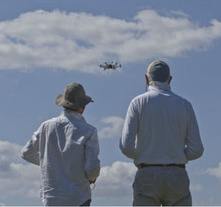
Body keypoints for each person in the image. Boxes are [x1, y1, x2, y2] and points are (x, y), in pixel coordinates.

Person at [120, 60, 204, 206]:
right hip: (177, 174)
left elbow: (126, 146)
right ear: (170, 79)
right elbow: (197, 150)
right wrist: (177, 154)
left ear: (147, 79)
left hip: (147, 173)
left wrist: (144, 153)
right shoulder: (185, 105)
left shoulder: (138, 102)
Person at [22, 83, 100, 206]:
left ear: (64, 104)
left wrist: (50, 162)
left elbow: (27, 153)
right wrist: (91, 178)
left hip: (51, 197)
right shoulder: (88, 131)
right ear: (83, 106)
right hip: (78, 197)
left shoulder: (45, 126)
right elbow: (92, 169)